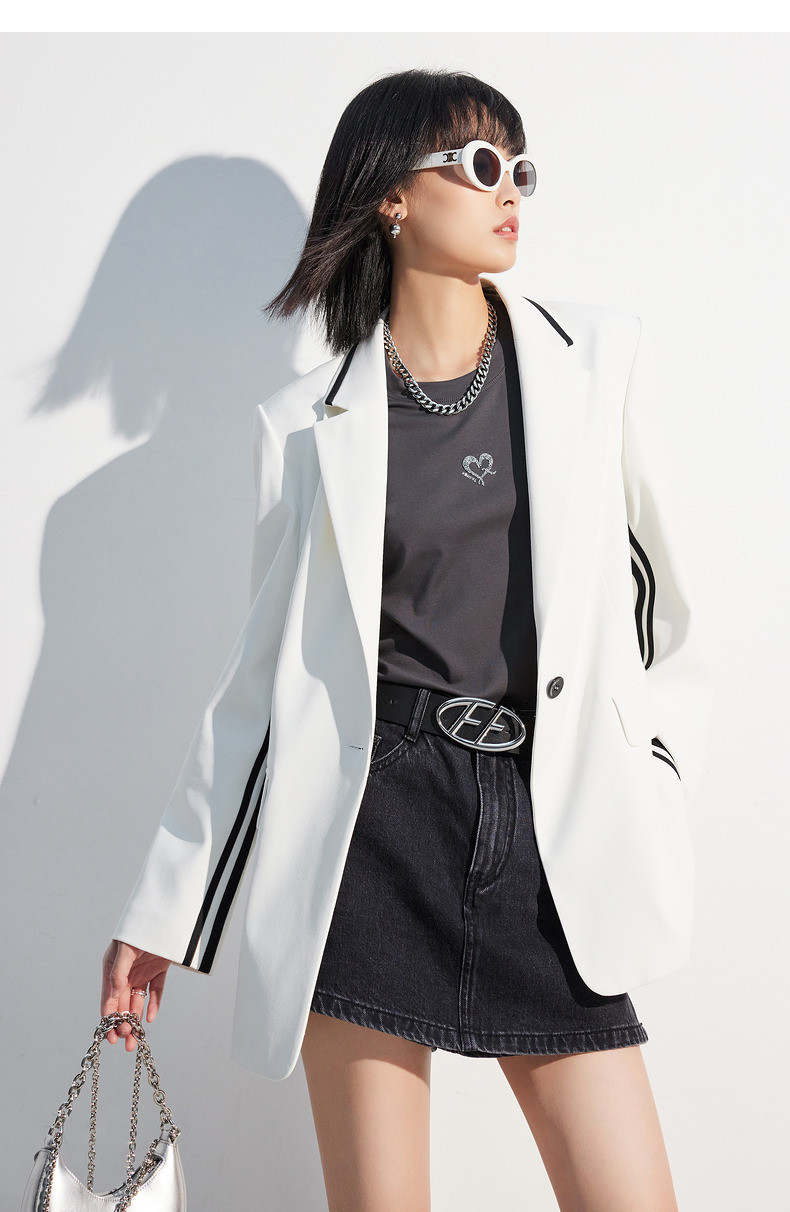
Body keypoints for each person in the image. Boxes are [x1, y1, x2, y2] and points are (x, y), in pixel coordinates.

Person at [100, 68, 710, 1210]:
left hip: (549, 824)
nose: (509, 189)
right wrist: (164, 913)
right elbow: (262, 687)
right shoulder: (302, 425)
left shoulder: (595, 363)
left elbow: (662, 603)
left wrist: (652, 768)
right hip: (372, 835)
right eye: (478, 164)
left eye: (519, 166)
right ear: (391, 194)